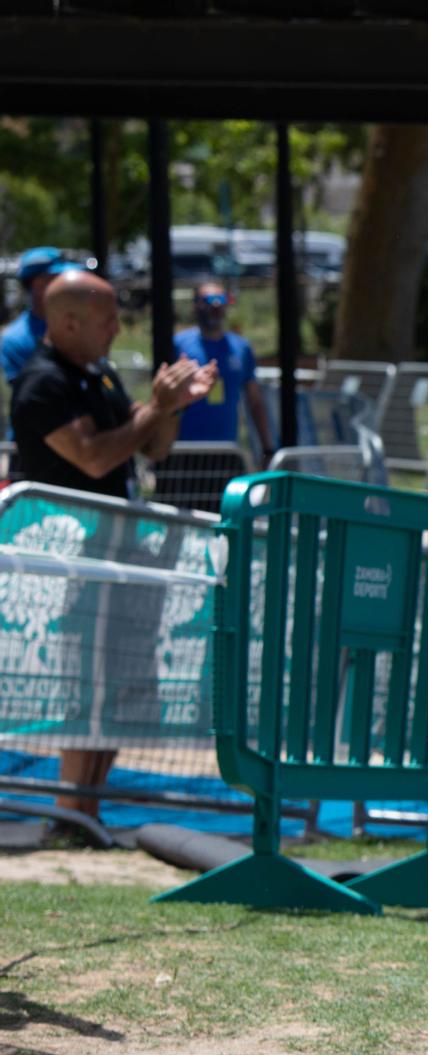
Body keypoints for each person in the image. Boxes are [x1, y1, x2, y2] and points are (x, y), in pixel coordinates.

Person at [7, 271, 214, 838]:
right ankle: (70, 816)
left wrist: (171, 408)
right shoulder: (41, 384)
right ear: (67, 322)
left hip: (115, 553)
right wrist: (155, 405)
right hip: (71, 558)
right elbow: (94, 459)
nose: (117, 329)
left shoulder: (99, 375)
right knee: (84, 689)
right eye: (107, 320)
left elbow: (152, 448)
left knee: (115, 683)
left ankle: (87, 814)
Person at [172, 282, 273, 460]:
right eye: (209, 300)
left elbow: (255, 402)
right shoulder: (179, 345)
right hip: (182, 451)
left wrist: (267, 448)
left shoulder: (241, 348)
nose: (216, 305)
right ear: (196, 305)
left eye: (221, 299)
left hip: (227, 452)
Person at [3, 247, 78, 430]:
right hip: (35, 445)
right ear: (38, 285)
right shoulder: (16, 338)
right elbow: (39, 394)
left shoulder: (76, 324)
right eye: (57, 278)